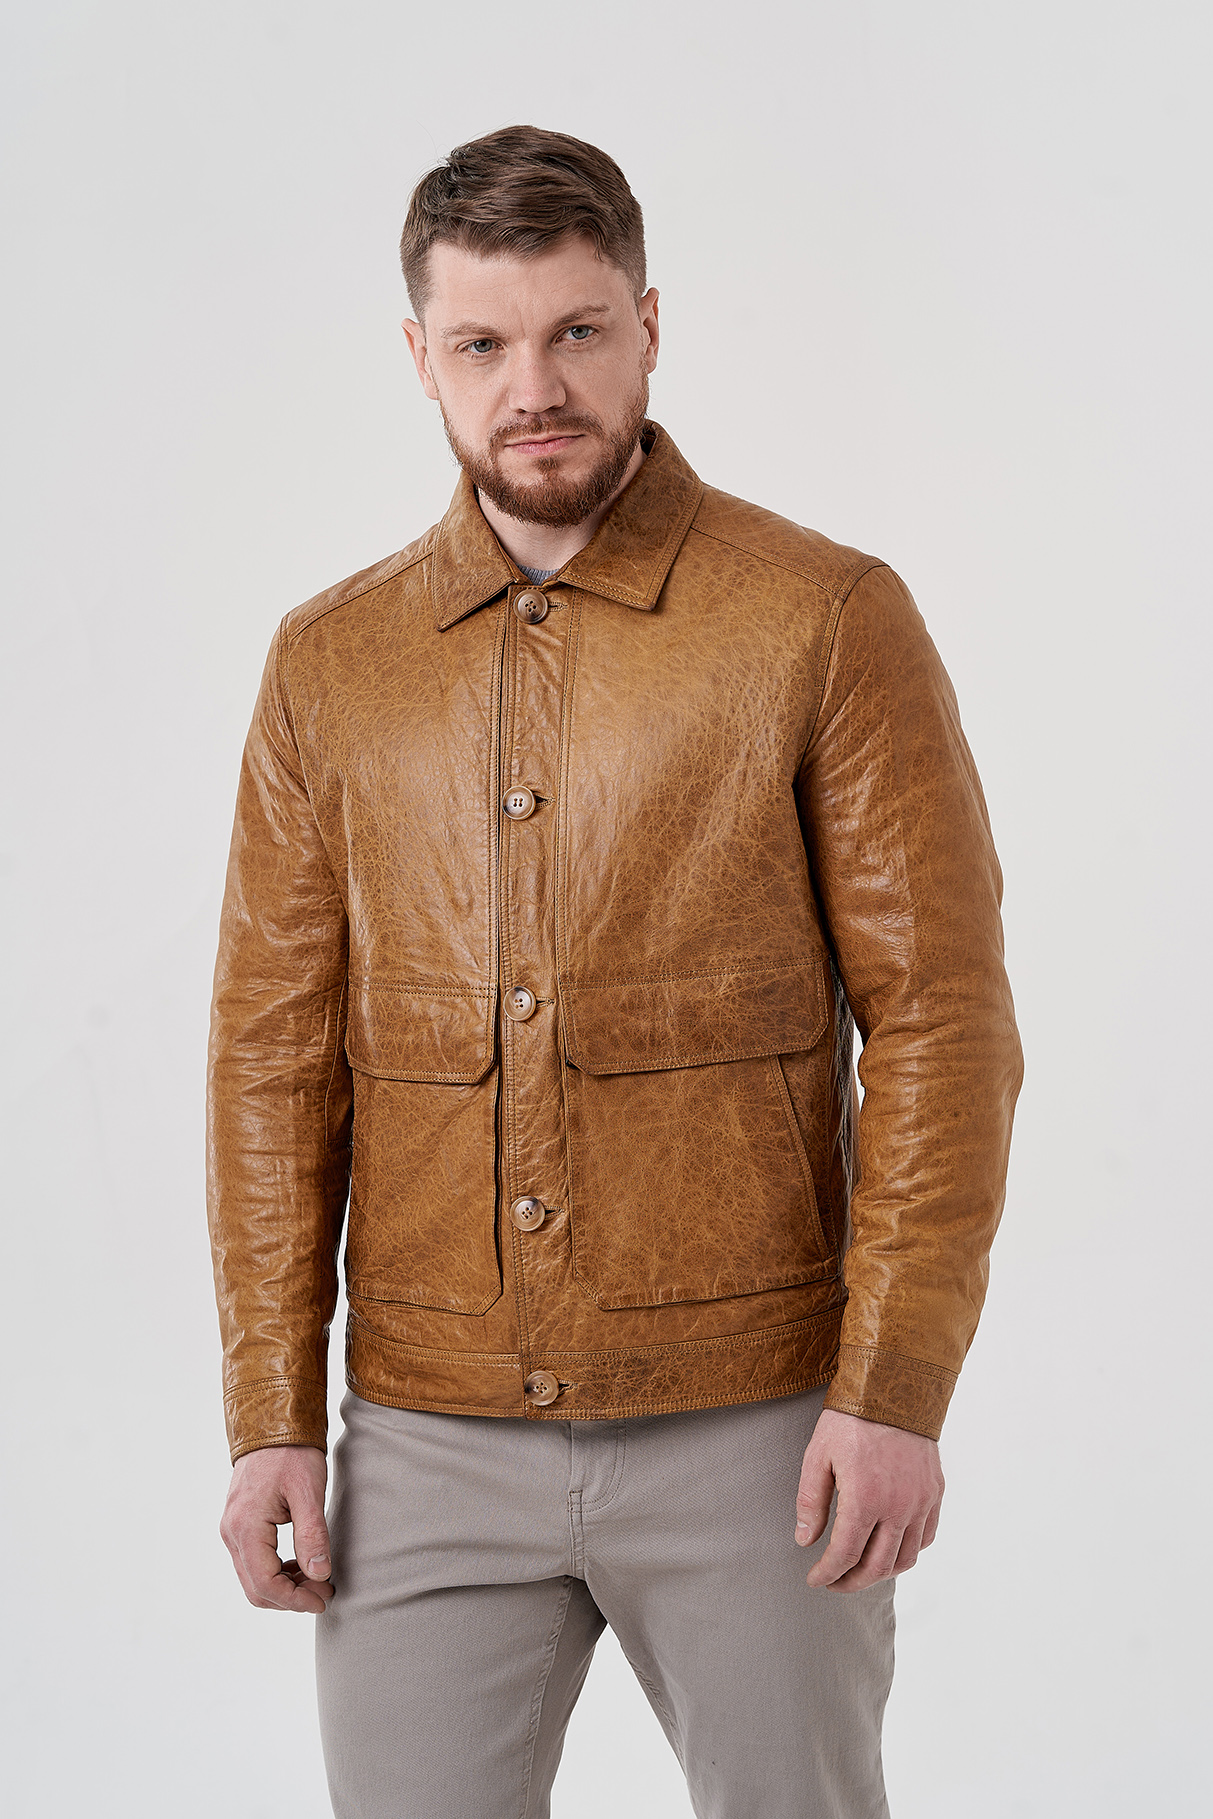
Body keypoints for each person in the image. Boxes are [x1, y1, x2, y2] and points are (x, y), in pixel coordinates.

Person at [208, 125, 1023, 1819]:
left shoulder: (821, 616)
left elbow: (943, 1022)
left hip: (761, 1426)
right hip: (423, 1443)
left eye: (576, 331)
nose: (534, 388)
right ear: (419, 357)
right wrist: (268, 1412)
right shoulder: (329, 662)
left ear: (648, 325)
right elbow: (271, 1061)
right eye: (482, 344)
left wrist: (892, 1388)